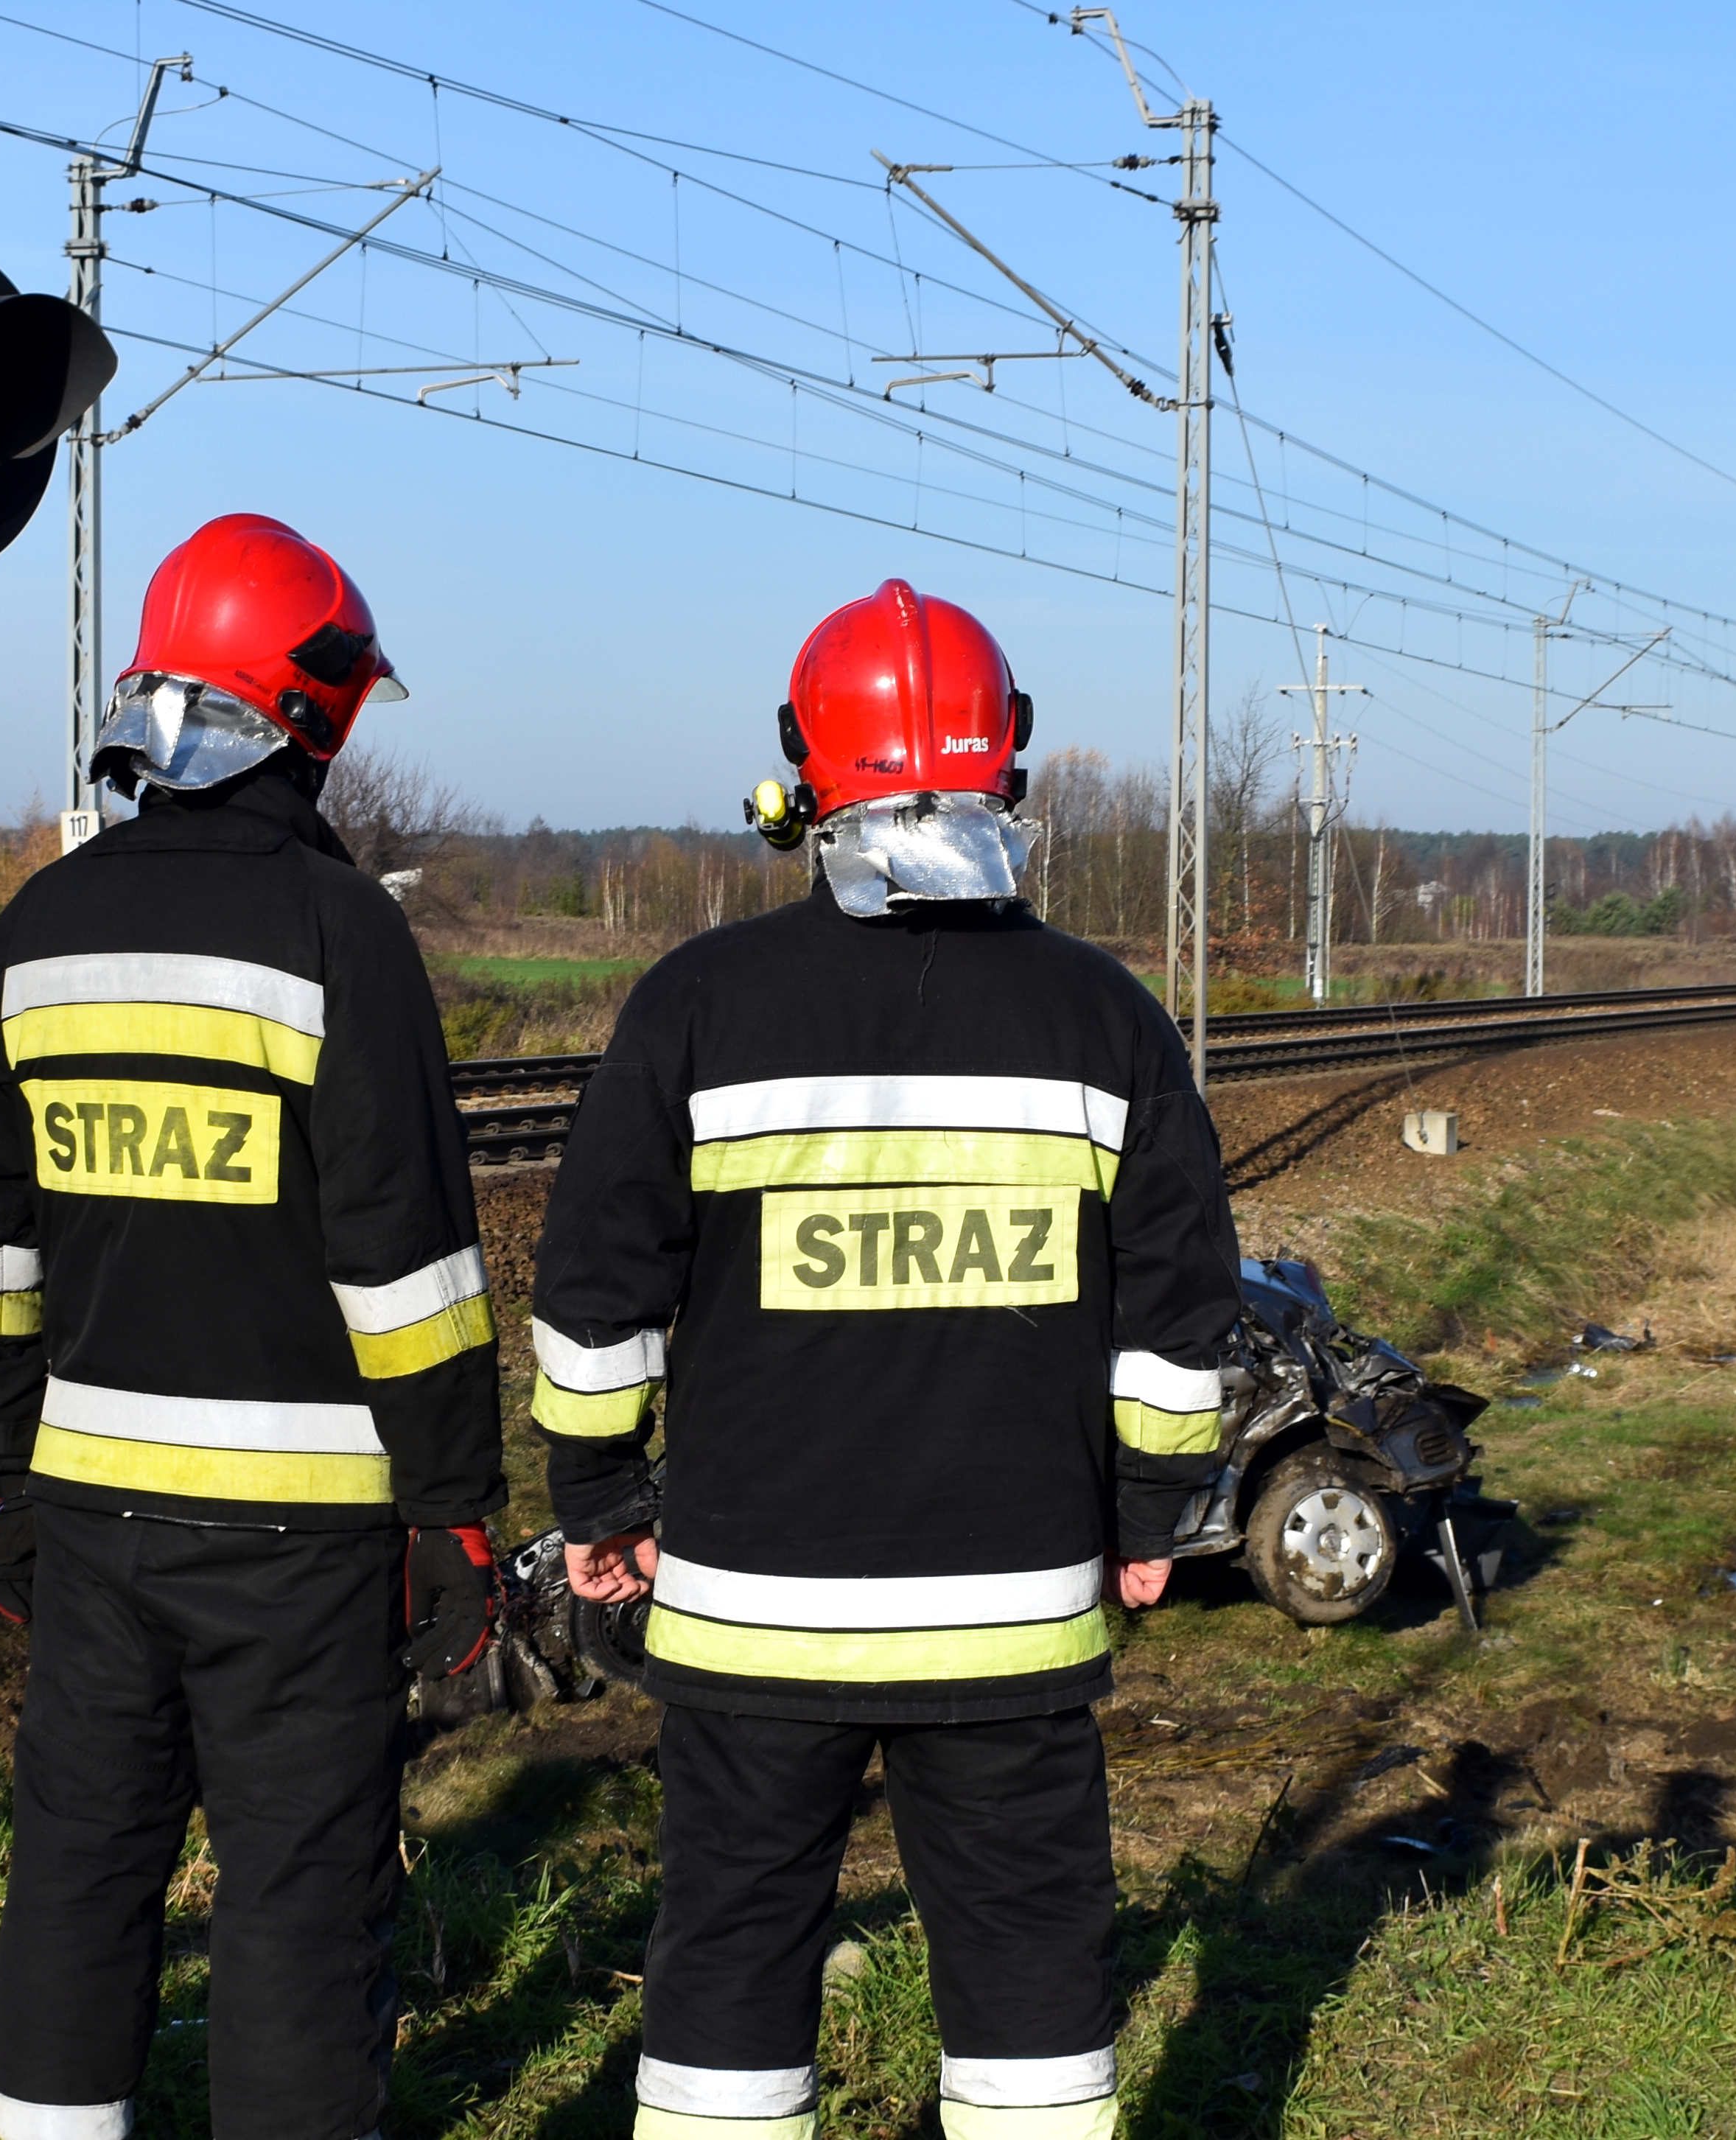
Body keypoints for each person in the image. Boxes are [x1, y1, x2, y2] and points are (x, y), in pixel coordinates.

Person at [527, 578, 1245, 2140]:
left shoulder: (697, 1006)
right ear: (1012, 766)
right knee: (1033, 1966)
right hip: (1013, 1619)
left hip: (750, 1618)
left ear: (802, 771)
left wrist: (597, 1497)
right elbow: (1180, 1309)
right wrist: (1148, 1519)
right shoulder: (1106, 1021)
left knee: (728, 1949)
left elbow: (595, 1293)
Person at [0, 514, 505, 2140]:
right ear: (309, 715)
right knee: (301, 1906)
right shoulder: (341, 937)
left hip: (90, 1510)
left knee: (78, 1878)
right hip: (305, 1539)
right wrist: (453, 1507)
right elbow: (409, 1272)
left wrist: (6, 1463)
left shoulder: (35, 933)